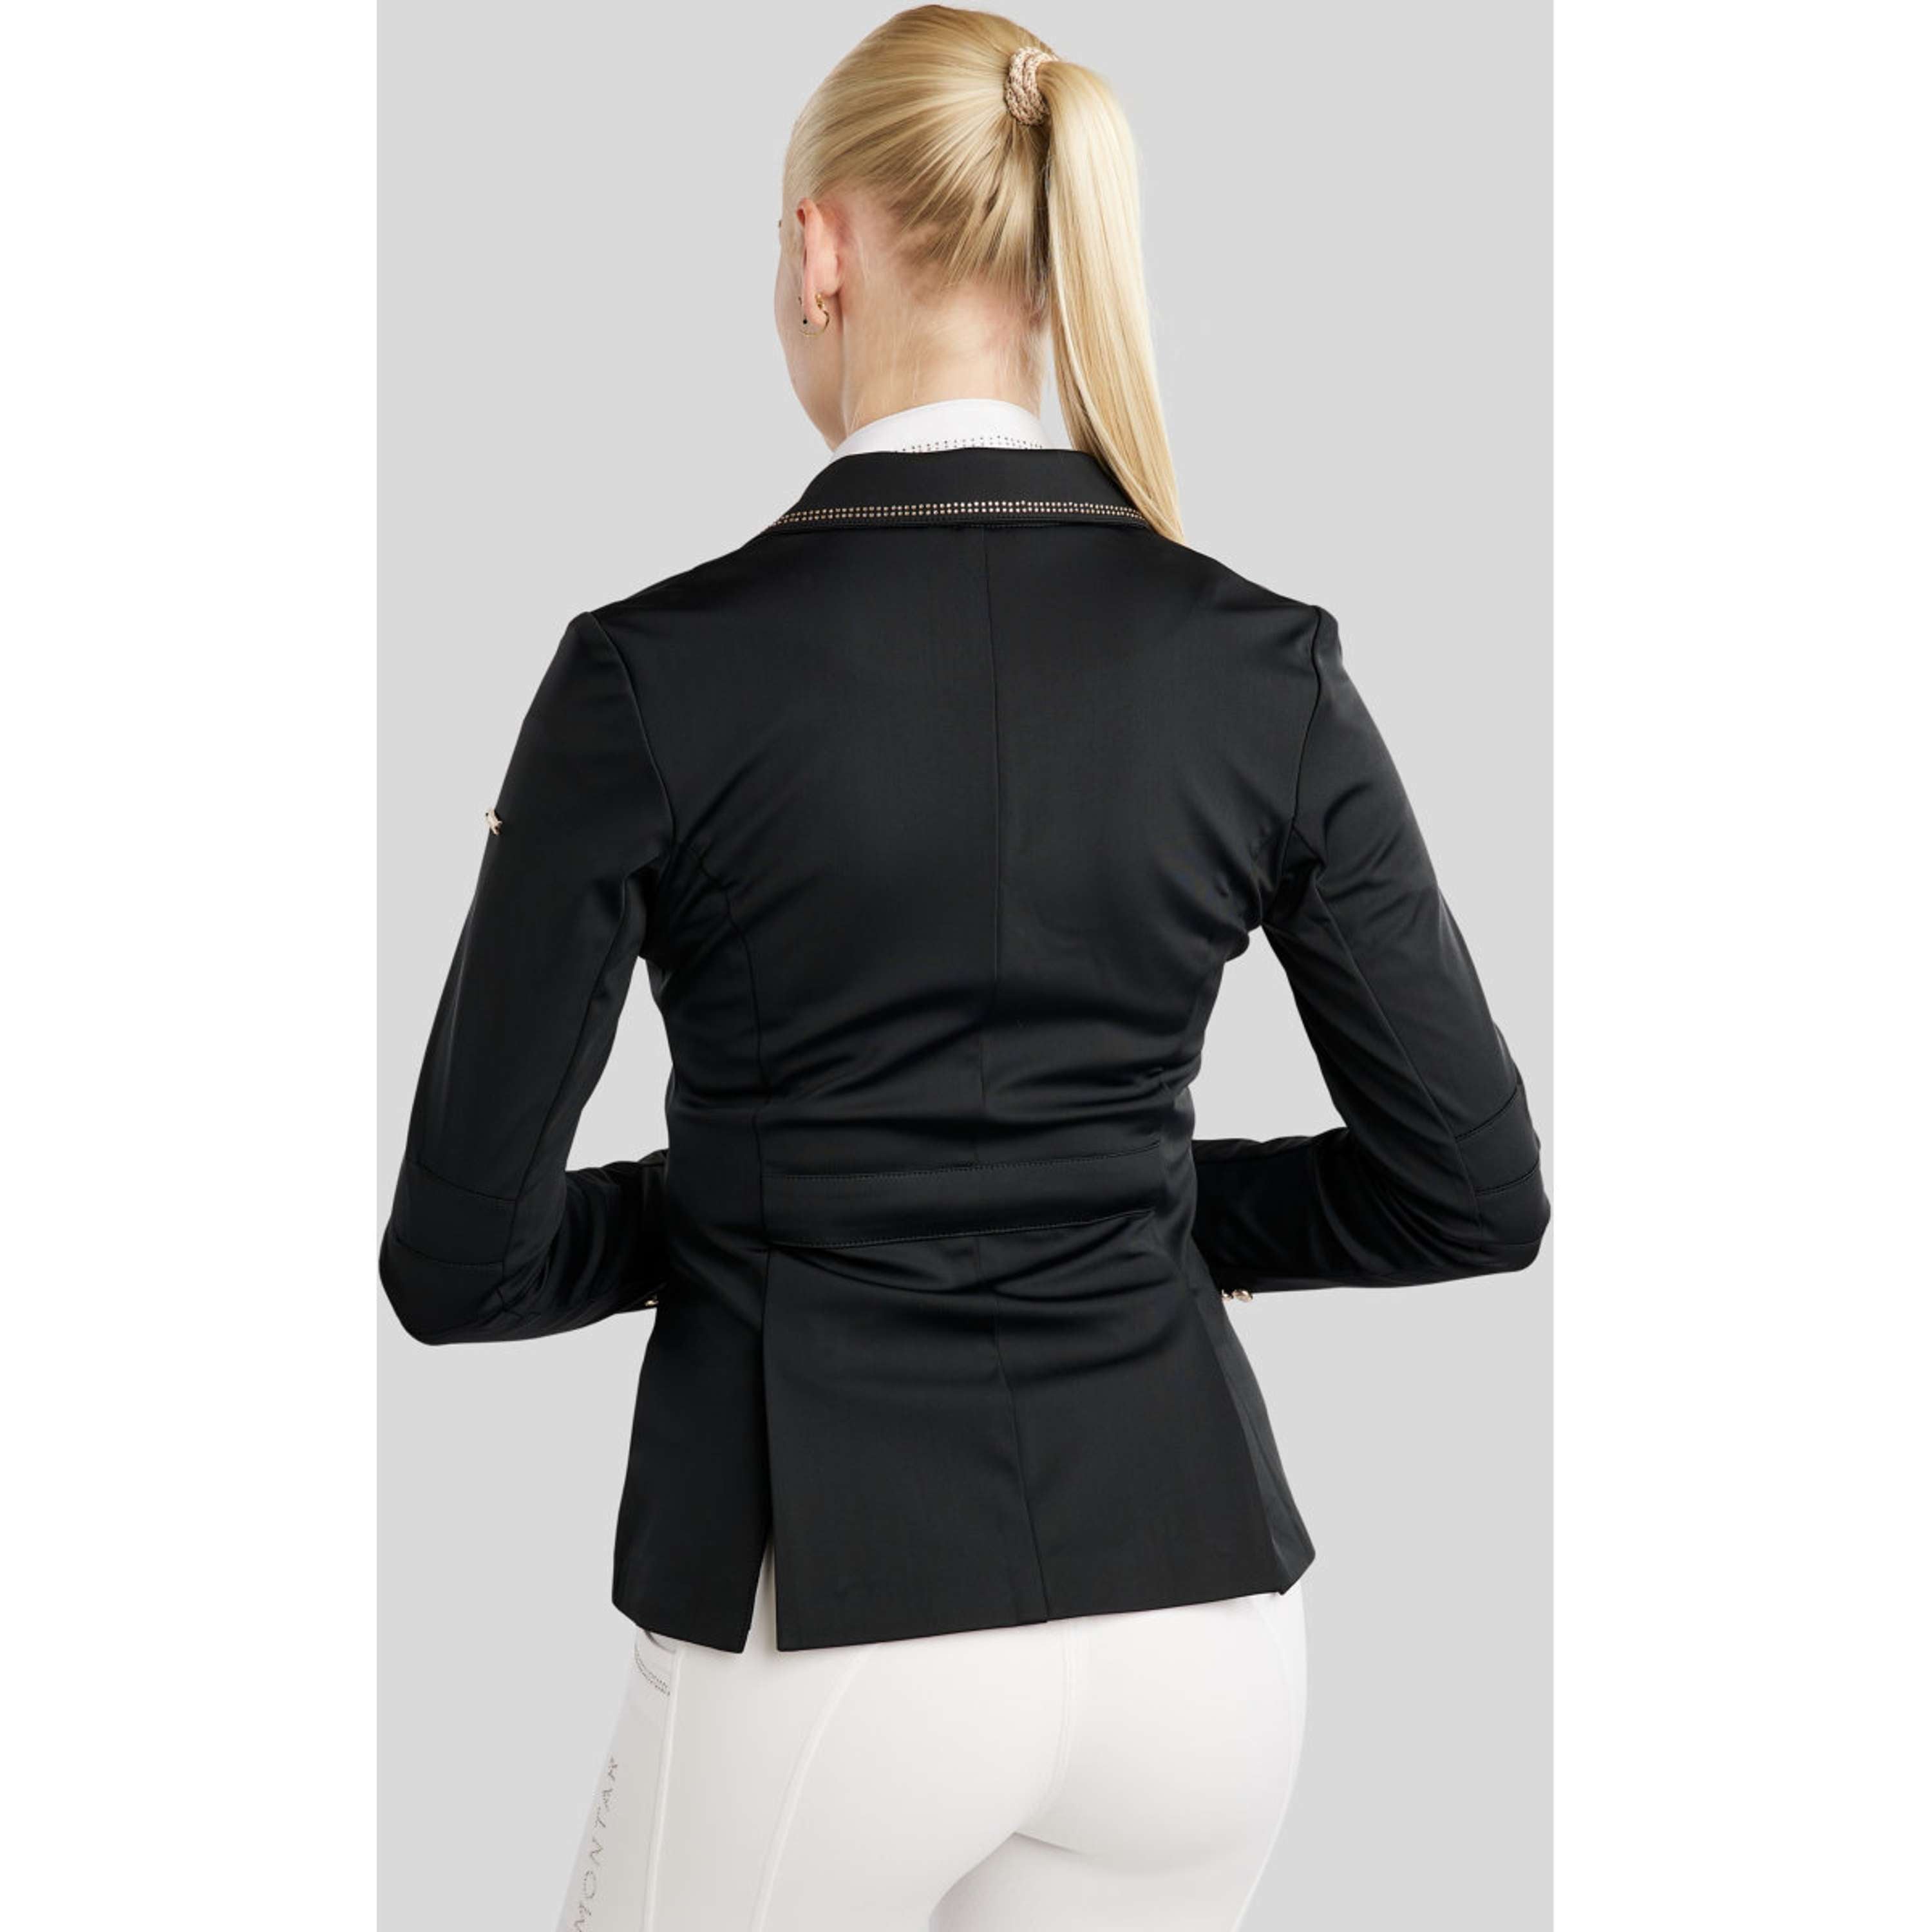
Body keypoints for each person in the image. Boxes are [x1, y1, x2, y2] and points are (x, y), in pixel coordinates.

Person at [378, 8, 1549, 1927]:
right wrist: (1111, 1195)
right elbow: (1473, 1195)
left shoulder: (647, 678)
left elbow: (457, 1263)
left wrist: (761, 1203)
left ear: (821, 250)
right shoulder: (1263, 665)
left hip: (830, 1632)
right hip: (1200, 1647)